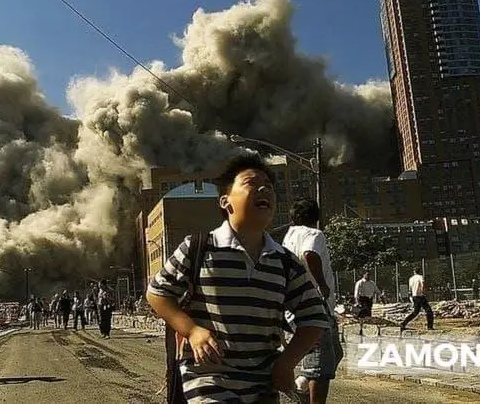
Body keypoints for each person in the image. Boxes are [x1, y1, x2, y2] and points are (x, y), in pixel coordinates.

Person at [147, 154, 329, 403]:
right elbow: (157, 293)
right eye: (251, 183)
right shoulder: (198, 248)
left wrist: (287, 362)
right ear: (225, 201)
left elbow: (314, 317)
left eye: (268, 186)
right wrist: (192, 330)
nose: (264, 189)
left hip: (262, 386)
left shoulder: (285, 262)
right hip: (209, 379)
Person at [282, 198, 343, 404]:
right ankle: (306, 394)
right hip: (314, 305)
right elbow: (310, 254)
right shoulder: (314, 234)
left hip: (300, 304)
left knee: (335, 353)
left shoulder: (289, 235)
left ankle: (300, 385)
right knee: (320, 365)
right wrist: (322, 284)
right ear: (316, 217)